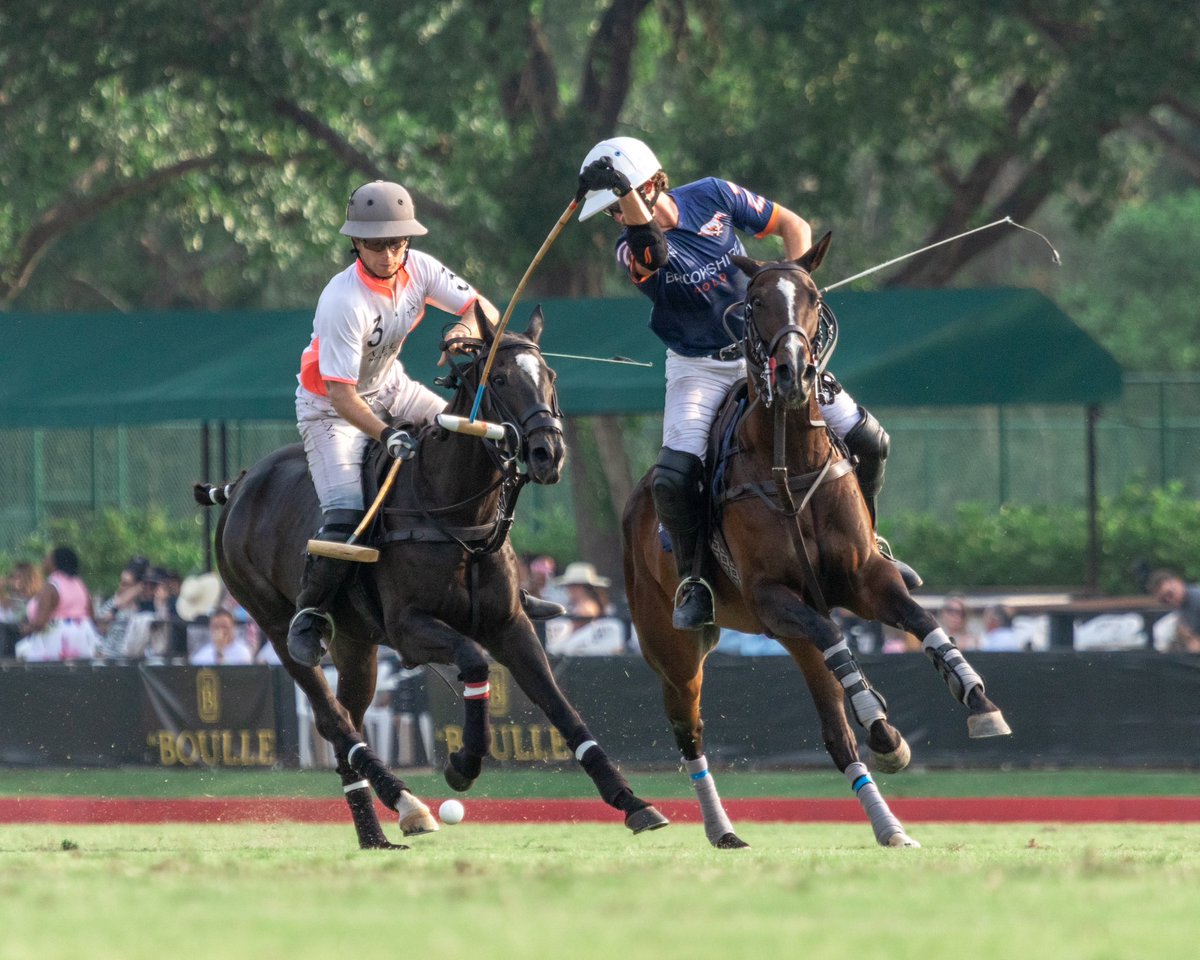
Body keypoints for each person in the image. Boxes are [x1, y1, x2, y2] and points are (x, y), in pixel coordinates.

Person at [576, 137, 921, 631]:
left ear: (654, 183)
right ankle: (694, 579)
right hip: (699, 367)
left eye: (620, 201)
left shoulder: (714, 194)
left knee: (869, 439)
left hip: (766, 352)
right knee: (673, 476)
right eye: (611, 208)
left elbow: (792, 225)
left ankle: (872, 547)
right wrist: (624, 195)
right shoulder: (631, 249)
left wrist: (797, 276)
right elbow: (651, 246)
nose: (616, 215)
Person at [288, 180, 563, 666]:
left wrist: (461, 332)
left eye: (396, 243)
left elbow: (485, 313)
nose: (388, 254)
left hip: (392, 385)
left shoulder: (421, 268)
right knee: (347, 514)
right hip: (332, 410)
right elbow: (340, 392)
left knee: (471, 444)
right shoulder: (342, 300)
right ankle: (312, 612)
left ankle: (510, 587)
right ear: (356, 243)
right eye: (376, 245)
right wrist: (386, 433)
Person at [15, 546, 100, 662]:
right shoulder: (80, 585)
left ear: (55, 562)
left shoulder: (52, 586)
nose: (44, 559)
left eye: (47, 557)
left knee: (21, 652)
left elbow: (40, 623)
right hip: (83, 638)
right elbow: (91, 616)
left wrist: (26, 629)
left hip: (58, 639)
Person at [544, 562, 627, 656]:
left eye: (570, 586)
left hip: (584, 648)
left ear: (580, 587)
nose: (568, 590)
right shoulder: (583, 605)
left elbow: (576, 629)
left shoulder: (587, 606)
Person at [1147, 569, 1200, 652]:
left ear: (1177, 582)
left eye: (1170, 594)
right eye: (1164, 600)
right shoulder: (1182, 607)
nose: (1169, 601)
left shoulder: (1197, 598)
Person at [190, 608, 255, 665]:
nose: (220, 631)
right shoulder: (202, 655)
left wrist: (220, 652)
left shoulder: (242, 652)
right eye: (216, 627)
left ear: (233, 627)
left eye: (224, 627)